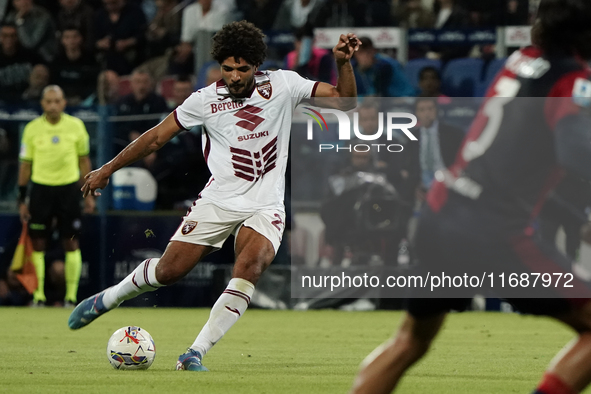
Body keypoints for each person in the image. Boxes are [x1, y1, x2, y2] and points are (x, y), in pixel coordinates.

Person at [68, 20, 360, 372]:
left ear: (256, 66)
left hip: (265, 204)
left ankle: (195, 352)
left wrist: (343, 64)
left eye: (242, 68)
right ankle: (109, 298)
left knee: (250, 266)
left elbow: (344, 103)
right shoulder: (204, 100)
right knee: (168, 271)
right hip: (218, 200)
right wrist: (107, 169)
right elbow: (156, 137)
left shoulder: (284, 84)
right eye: (227, 68)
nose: (234, 76)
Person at [349, 1, 591, 393]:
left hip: (439, 214)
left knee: (410, 341)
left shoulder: (520, 59)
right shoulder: (569, 81)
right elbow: (575, 152)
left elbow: (514, 160)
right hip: (495, 231)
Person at [17, 85, 95, 306]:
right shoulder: (31, 129)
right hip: (41, 189)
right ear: (42, 103)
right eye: (48, 101)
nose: (52, 105)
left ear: (64, 103)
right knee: (38, 242)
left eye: (56, 101)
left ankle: (71, 297)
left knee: (71, 242)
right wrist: (23, 198)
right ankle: (38, 295)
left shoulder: (76, 126)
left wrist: (88, 193)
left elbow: (84, 161)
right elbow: (25, 165)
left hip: (68, 189)